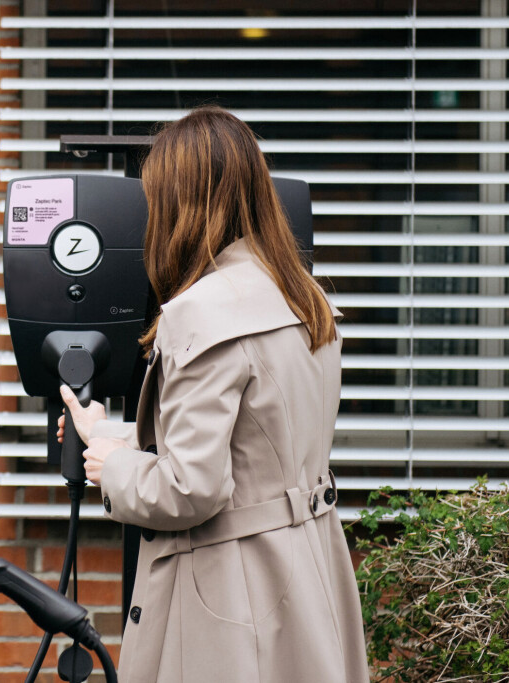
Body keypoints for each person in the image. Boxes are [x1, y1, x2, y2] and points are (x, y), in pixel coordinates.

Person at [59, 107, 369, 683]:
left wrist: (114, 468)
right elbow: (256, 446)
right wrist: (106, 433)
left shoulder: (201, 312)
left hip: (229, 591)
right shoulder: (304, 300)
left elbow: (191, 489)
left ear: (181, 203)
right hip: (307, 567)